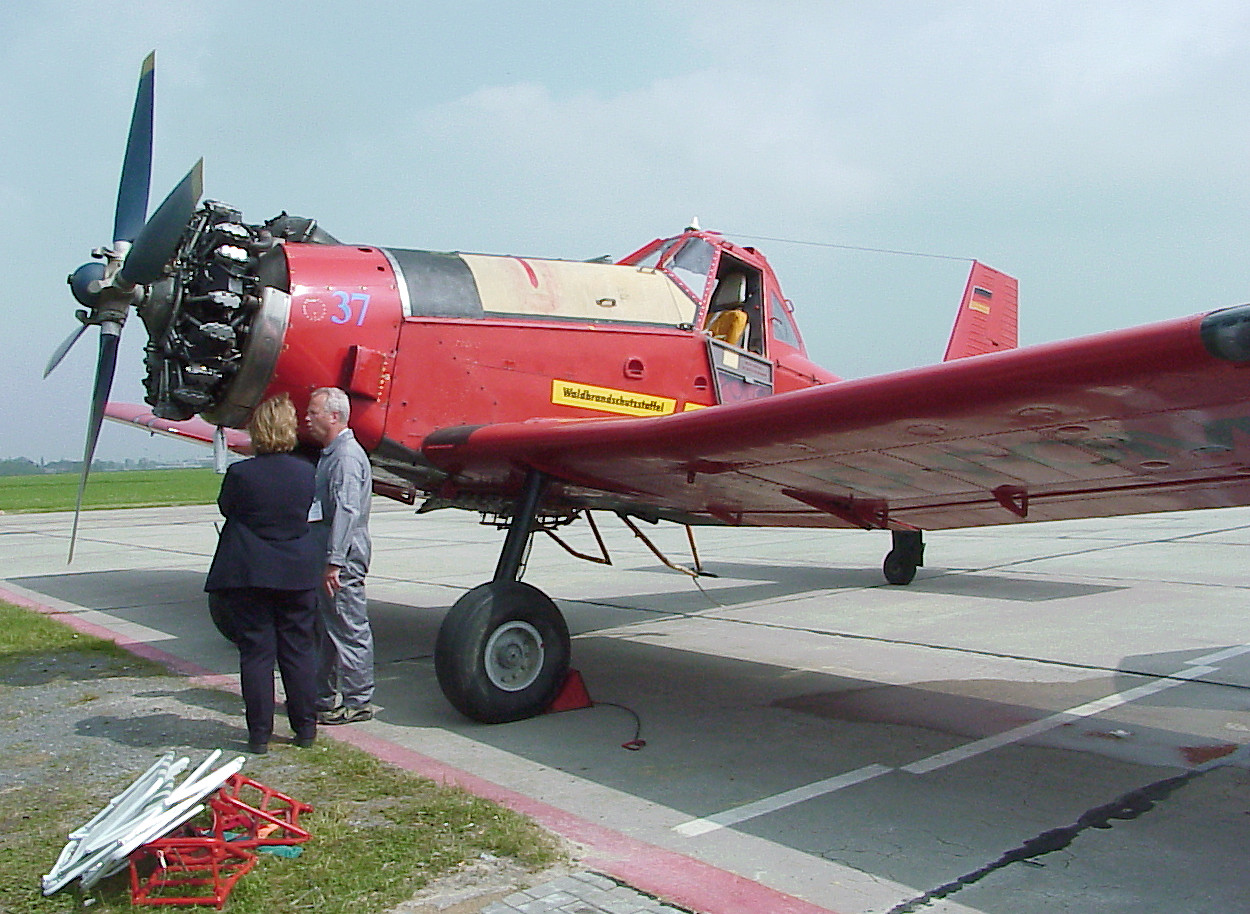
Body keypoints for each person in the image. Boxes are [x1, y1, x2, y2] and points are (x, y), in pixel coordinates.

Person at [205, 393, 322, 754]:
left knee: (256, 654)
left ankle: (259, 734)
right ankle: (305, 728)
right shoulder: (306, 472)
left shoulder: (241, 473)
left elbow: (227, 508)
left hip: (250, 570)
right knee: (298, 651)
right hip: (296, 571)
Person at [305, 386, 375, 724]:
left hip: (341, 559)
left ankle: (358, 700)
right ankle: (322, 697)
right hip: (329, 555)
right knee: (328, 630)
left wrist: (334, 561)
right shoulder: (331, 454)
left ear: (334, 416)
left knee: (349, 628)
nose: (307, 418)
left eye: (313, 412)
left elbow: (347, 511)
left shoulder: (346, 458)